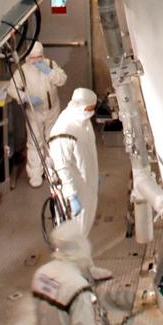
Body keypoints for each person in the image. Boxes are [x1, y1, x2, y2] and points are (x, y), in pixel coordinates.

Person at [48, 88, 111, 281]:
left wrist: (93, 177)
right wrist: (71, 194)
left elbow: (87, 154)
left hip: (86, 186)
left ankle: (87, 270)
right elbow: (61, 166)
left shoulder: (81, 121)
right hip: (72, 193)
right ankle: (72, 281)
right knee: (72, 238)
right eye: (90, 108)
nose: (92, 112)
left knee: (81, 236)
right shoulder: (64, 130)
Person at [7, 42, 67, 188]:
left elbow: (62, 79)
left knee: (53, 141)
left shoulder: (50, 65)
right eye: (34, 58)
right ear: (28, 57)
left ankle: (53, 173)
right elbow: (12, 89)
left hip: (52, 110)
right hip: (34, 112)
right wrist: (26, 97)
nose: (37, 61)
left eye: (39, 57)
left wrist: (49, 72)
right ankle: (35, 175)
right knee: (35, 143)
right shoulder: (23, 71)